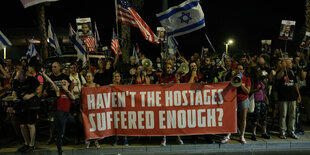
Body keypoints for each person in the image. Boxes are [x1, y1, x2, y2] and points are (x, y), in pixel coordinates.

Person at [42, 70, 76, 155]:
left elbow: (73, 98)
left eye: (65, 82)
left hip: (67, 114)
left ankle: (73, 138)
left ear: (68, 84)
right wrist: (43, 74)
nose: (63, 83)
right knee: (60, 134)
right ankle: (60, 151)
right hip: (60, 113)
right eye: (62, 82)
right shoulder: (58, 91)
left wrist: (67, 90)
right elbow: (51, 82)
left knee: (76, 122)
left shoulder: (69, 92)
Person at [14, 62, 43, 153]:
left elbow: (38, 90)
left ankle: (32, 144)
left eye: (20, 79)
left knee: (30, 124)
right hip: (21, 104)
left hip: (31, 104)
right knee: (22, 125)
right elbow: (15, 91)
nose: (19, 81)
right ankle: (26, 143)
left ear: (24, 76)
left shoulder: (31, 80)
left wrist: (30, 95)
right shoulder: (16, 81)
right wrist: (15, 97)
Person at [221, 64, 251, 144]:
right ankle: (228, 135)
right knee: (232, 117)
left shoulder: (246, 78)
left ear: (243, 70)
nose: (239, 71)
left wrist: (241, 84)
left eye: (241, 69)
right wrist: (232, 77)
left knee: (243, 118)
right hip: (233, 100)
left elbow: (247, 91)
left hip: (243, 99)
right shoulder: (232, 78)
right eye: (238, 69)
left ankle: (242, 135)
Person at [276, 58, 301, 139]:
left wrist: (298, 94)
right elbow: (277, 78)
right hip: (283, 98)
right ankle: (282, 131)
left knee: (292, 115)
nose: (291, 64)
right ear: (285, 64)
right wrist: (282, 69)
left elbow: (295, 83)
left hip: (292, 97)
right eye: (289, 63)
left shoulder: (292, 72)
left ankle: (291, 131)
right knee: (283, 115)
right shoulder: (281, 72)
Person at [159, 63, 183, 146]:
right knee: (165, 120)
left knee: (175, 119)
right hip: (164, 102)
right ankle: (164, 138)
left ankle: (178, 137)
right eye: (167, 68)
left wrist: (177, 78)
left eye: (170, 68)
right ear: (165, 69)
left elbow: (178, 86)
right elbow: (160, 87)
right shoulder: (162, 77)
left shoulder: (174, 77)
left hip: (173, 101)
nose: (169, 69)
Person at [250, 67, 271, 141]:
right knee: (255, 117)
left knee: (264, 116)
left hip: (262, 100)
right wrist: (258, 89)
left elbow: (263, 90)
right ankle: (253, 133)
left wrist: (266, 98)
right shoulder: (253, 81)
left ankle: (264, 132)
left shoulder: (261, 81)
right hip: (256, 100)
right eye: (258, 71)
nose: (260, 72)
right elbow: (250, 91)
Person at [82, 72, 100, 148]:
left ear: (93, 77)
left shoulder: (97, 85)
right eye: (87, 76)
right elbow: (81, 97)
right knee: (87, 125)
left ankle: (96, 141)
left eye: (89, 76)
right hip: (86, 108)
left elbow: (100, 96)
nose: (88, 77)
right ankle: (87, 141)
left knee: (95, 125)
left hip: (95, 108)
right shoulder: (83, 86)